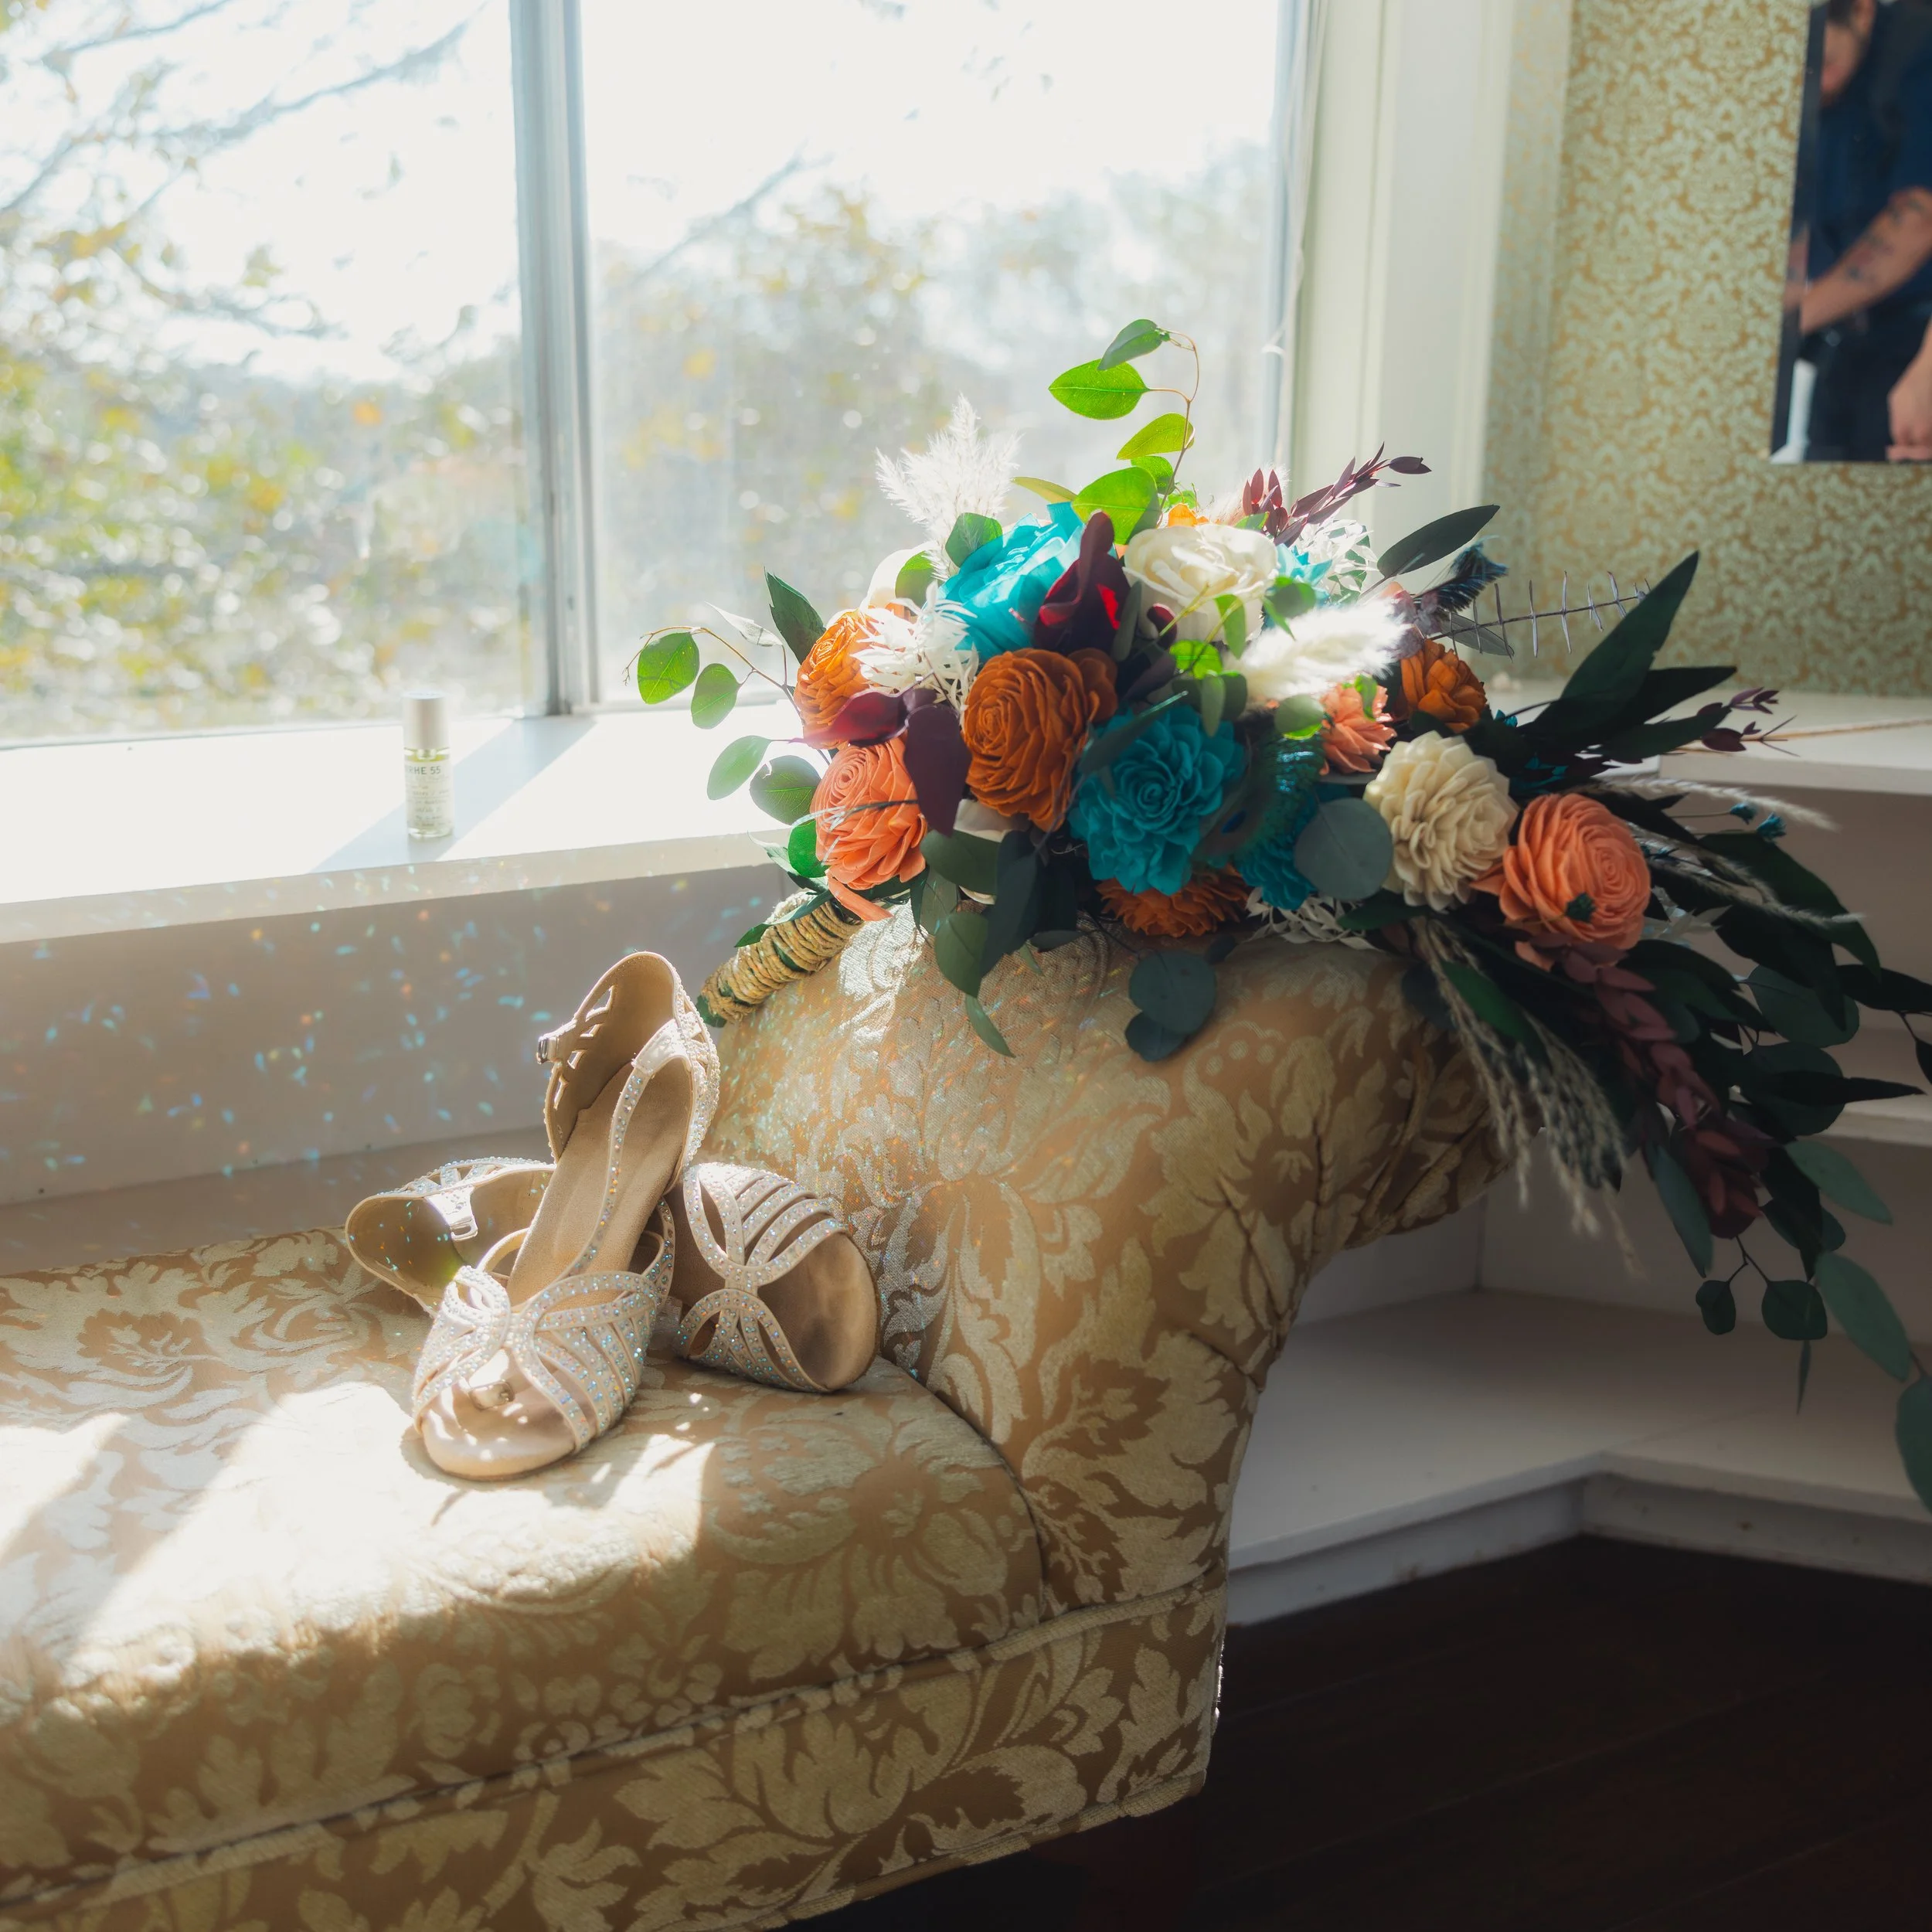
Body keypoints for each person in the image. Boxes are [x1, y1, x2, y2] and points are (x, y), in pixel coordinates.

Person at [1800, 0, 1932, 460]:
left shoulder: (1917, 47)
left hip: (1912, 342)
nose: (1817, 85)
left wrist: (1790, 320)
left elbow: (1918, 222)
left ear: (1861, 11)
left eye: (1826, 65)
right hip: (1844, 342)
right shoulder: (1816, 91)